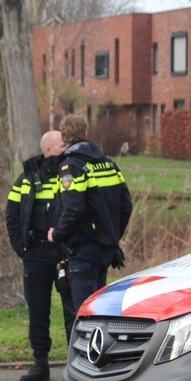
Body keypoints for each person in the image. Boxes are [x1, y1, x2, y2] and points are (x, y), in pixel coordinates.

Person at [5, 130, 77, 381]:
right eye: (62, 145)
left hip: (64, 253)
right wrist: (21, 249)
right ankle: (40, 363)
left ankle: (75, 365)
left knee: (72, 310)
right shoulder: (27, 177)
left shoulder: (69, 173)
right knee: (38, 309)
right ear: (48, 150)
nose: (67, 149)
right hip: (35, 254)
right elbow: (12, 214)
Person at [48, 114, 133, 311]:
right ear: (86, 134)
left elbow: (73, 208)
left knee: (85, 313)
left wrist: (57, 234)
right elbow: (126, 205)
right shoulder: (109, 164)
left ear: (63, 138)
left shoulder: (72, 166)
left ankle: (87, 343)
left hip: (83, 250)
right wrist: (111, 235)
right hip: (105, 249)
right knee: (100, 310)